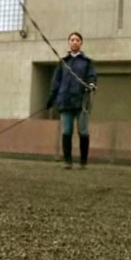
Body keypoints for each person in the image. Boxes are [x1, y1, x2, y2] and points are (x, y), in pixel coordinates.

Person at [47, 31, 97, 169]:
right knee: (66, 131)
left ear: (81, 43)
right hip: (65, 101)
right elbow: (56, 81)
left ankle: (83, 162)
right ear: (69, 42)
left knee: (83, 131)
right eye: (72, 39)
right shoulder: (63, 62)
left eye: (77, 40)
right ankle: (68, 161)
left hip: (81, 101)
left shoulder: (87, 62)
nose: (74, 42)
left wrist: (91, 84)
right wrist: (52, 96)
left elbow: (92, 76)